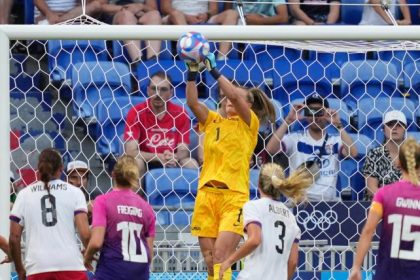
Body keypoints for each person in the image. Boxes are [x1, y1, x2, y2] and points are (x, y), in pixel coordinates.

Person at [184, 51, 276, 280]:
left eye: (232, 97)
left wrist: (213, 69)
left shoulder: (249, 124)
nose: (227, 100)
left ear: (249, 105)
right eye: (223, 98)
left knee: (221, 256)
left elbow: (234, 96)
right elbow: (192, 102)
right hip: (206, 194)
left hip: (233, 196)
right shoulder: (213, 120)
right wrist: (192, 73)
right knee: (208, 259)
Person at [219, 163, 313, 279]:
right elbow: (293, 261)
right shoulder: (290, 217)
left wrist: (229, 261)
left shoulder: (253, 207)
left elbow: (255, 240)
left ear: (258, 183)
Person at [9, 148, 90, 280]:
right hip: (70, 265)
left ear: (38, 169)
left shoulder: (24, 195)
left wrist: (20, 269)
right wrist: (89, 253)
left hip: (37, 267)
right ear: (61, 168)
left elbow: (14, 237)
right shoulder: (75, 193)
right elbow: (85, 235)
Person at [349, 137, 420, 280]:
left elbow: (368, 231)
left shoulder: (384, 193)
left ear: (398, 163)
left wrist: (356, 267)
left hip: (387, 274)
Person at [266, 94, 358, 201]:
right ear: (306, 114)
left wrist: (338, 125)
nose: (315, 116)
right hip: (299, 201)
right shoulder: (295, 138)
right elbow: (270, 149)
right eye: (311, 111)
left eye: (319, 111)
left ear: (327, 113)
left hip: (328, 203)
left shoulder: (335, 140)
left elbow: (353, 153)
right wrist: (288, 121)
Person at [84, 155, 156, 280]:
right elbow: (149, 254)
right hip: (140, 274)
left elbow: (96, 242)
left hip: (112, 271)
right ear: (135, 177)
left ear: (113, 174)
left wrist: (87, 257)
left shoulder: (103, 201)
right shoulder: (147, 208)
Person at [124, 71, 198, 186]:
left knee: (190, 163)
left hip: (172, 161)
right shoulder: (136, 112)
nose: (158, 94)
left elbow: (183, 149)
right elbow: (131, 151)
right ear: (148, 90)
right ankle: (136, 202)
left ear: (171, 93)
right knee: (136, 163)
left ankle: (193, 202)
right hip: (146, 160)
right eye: (154, 89)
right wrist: (159, 157)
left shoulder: (180, 113)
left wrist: (174, 157)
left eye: (163, 89)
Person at [161, 0, 238, 59]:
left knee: (232, 14)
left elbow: (214, 9)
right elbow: (165, 7)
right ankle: (190, 57)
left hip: (204, 18)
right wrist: (187, 17)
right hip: (177, 17)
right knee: (176, 14)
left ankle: (222, 58)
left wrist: (206, 15)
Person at [363, 110, 408, 200]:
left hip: (406, 205)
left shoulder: (412, 155)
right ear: (383, 129)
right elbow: (371, 189)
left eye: (399, 125)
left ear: (405, 130)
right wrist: (394, 201)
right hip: (380, 205)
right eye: (390, 124)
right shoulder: (374, 154)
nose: (394, 128)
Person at [34, 0, 102, 24]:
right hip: (46, 18)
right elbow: (38, 1)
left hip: (72, 17)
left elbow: (81, 5)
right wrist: (49, 14)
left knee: (95, 6)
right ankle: (61, 21)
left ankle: (61, 20)